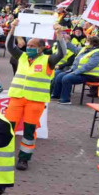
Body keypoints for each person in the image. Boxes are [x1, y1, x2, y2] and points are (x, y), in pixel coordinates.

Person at [4, 22, 65, 170]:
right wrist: (12, 29)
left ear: (42, 48)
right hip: (17, 98)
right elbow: (10, 47)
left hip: (35, 101)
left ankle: (24, 159)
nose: (29, 48)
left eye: (33, 46)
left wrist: (59, 35)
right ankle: (4, 154)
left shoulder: (48, 60)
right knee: (8, 128)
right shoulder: (22, 56)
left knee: (29, 132)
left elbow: (62, 53)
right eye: (29, 45)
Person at [51, 35, 99, 105]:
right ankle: (56, 95)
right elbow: (74, 48)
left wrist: (75, 72)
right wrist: (66, 42)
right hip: (81, 73)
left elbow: (89, 66)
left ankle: (65, 99)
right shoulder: (84, 49)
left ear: (93, 43)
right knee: (60, 76)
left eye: (87, 41)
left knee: (67, 78)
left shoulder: (98, 52)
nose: (85, 42)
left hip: (91, 75)